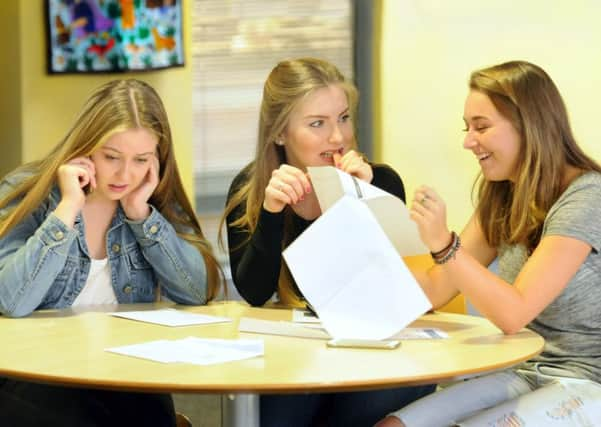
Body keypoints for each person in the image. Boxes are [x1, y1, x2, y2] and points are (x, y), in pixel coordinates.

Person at [375, 60, 601, 427]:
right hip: (523, 371)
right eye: (467, 128)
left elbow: (515, 314)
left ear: (531, 126)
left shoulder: (587, 198)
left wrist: (445, 244)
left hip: (587, 382)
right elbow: (435, 288)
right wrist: (362, 236)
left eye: (481, 127)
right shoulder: (503, 195)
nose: (467, 141)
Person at [220, 57, 434, 427]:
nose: (337, 137)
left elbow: (392, 295)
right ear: (279, 132)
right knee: (273, 416)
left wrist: (358, 202)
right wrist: (271, 213)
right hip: (296, 352)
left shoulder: (381, 182)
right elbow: (255, 292)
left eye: (344, 118)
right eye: (317, 124)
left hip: (373, 348)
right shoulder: (250, 189)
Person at [0, 79, 222, 426]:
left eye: (141, 160)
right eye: (111, 157)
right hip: (38, 375)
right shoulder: (28, 191)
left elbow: (195, 292)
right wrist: (68, 209)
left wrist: (141, 215)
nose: (125, 174)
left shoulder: (153, 200)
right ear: (86, 146)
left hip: (126, 373)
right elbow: (12, 301)